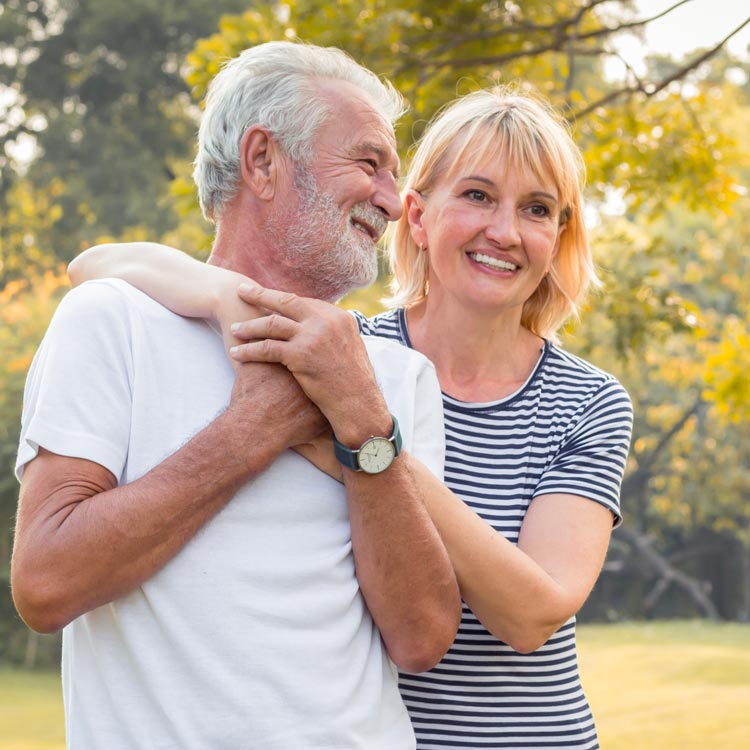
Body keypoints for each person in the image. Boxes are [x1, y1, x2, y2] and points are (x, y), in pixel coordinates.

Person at [70, 84, 634, 750]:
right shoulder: (349, 350)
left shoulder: (585, 400)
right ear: (417, 218)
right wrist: (226, 295)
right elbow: (94, 263)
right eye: (478, 196)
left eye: (537, 209)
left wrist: (363, 435)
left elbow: (533, 613)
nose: (505, 232)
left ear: (557, 237)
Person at [11, 41, 463, 750]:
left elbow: (423, 637)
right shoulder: (113, 321)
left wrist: (361, 419)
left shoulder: (399, 378)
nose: (392, 201)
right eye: (369, 162)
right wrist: (252, 431)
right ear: (262, 161)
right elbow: (45, 584)